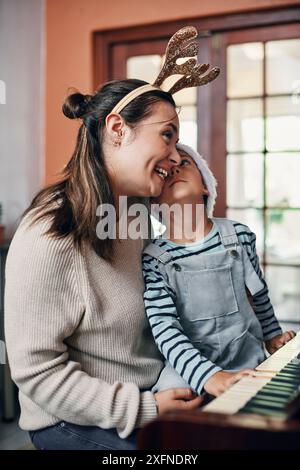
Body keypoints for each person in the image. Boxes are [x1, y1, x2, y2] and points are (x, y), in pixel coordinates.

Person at [4, 80, 206, 451]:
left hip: (154, 393)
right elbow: (37, 373)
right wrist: (143, 408)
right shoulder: (50, 232)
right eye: (167, 135)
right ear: (117, 129)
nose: (176, 156)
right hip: (74, 421)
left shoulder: (131, 213)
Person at [142, 143, 296, 398]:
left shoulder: (239, 235)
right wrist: (208, 376)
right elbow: (164, 328)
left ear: (205, 187)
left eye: (184, 164)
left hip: (246, 358)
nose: (175, 170)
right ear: (153, 200)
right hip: (189, 369)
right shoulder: (155, 258)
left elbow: (259, 294)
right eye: (165, 171)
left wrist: (272, 337)